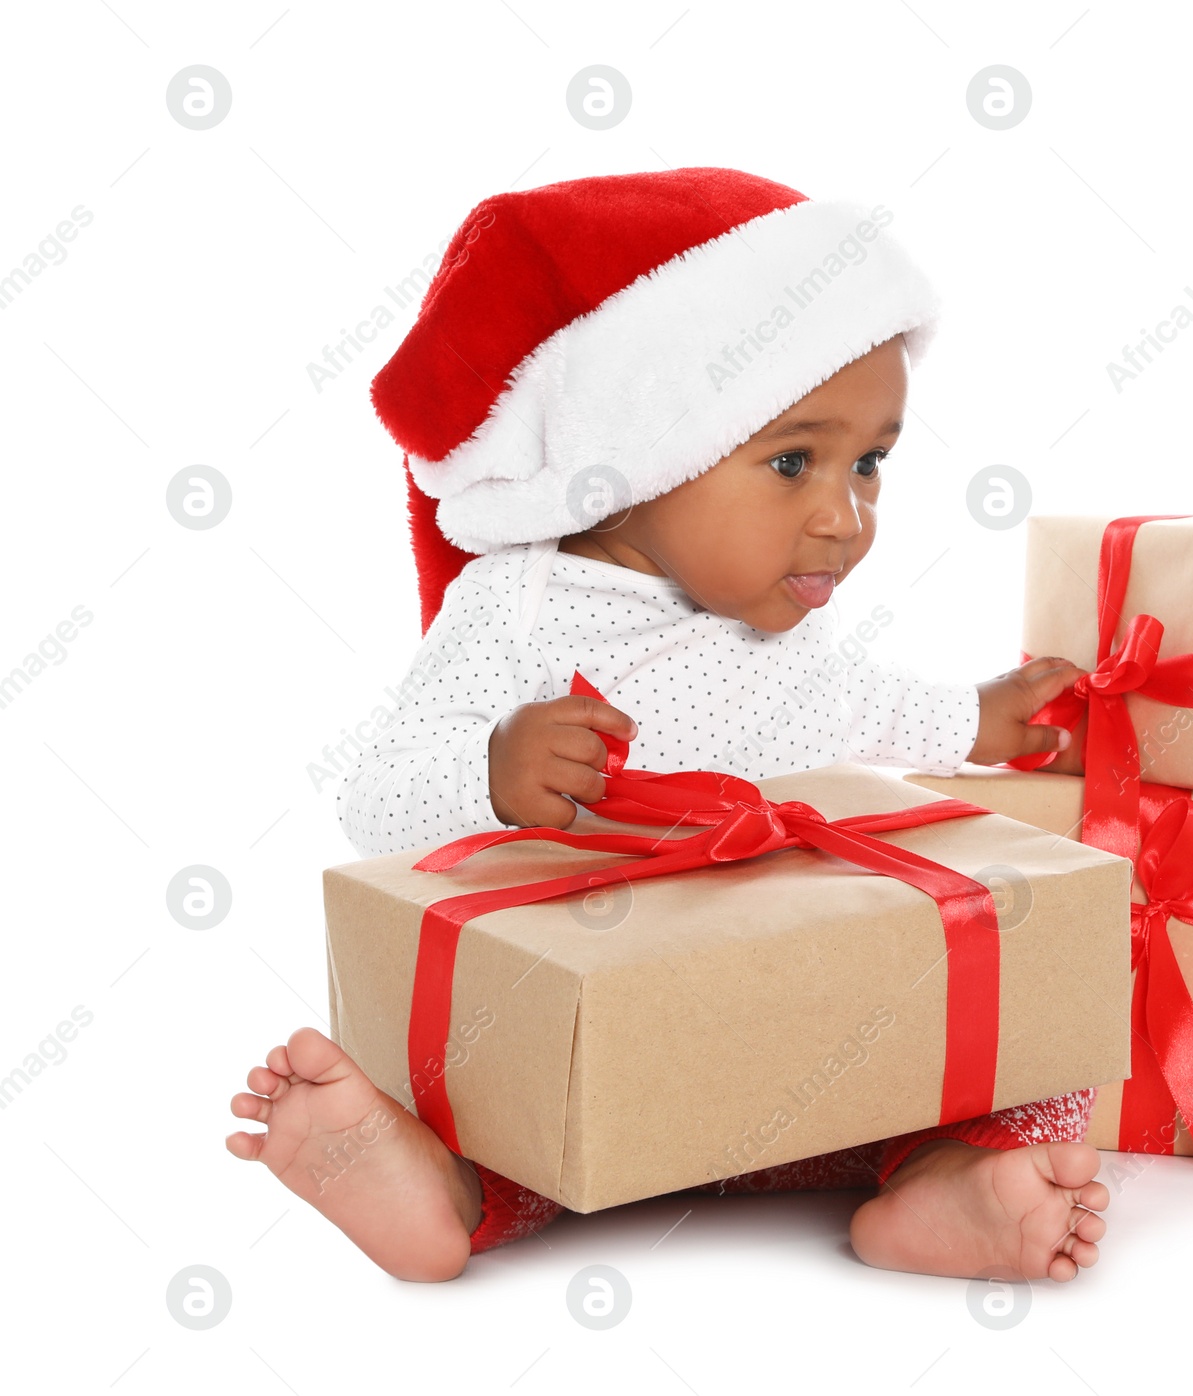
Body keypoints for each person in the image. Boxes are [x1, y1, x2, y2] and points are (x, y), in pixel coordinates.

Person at [224, 167, 1107, 1284]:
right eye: (793, 462)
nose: (845, 519)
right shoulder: (519, 608)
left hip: (809, 1045)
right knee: (499, 1081)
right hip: (627, 1059)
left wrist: (979, 720)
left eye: (870, 463)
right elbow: (375, 798)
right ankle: (441, 1188)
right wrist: (495, 774)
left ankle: (943, 1183)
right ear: (638, 459)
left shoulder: (778, 631)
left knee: (1041, 1021)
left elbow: (858, 706)